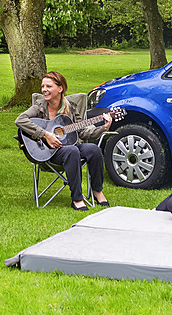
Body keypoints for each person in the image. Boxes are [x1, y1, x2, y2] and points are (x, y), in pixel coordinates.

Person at [15, 71, 112, 211]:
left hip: (71, 144)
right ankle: (77, 199)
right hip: (49, 151)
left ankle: (97, 191)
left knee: (93, 149)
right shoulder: (40, 106)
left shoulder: (71, 107)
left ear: (60, 88)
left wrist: (104, 127)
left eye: (48, 86)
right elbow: (20, 120)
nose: (44, 89)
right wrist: (45, 134)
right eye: (43, 86)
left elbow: (83, 132)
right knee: (72, 151)